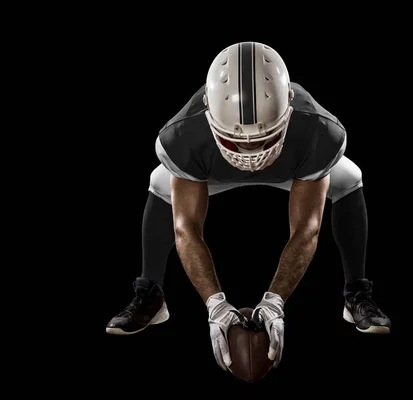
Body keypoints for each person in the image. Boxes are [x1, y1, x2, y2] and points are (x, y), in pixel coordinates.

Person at [105, 41, 391, 371]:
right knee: (160, 184)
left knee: (349, 179)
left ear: (291, 109)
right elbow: (187, 228)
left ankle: (356, 292)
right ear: (208, 113)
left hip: (291, 165)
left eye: (264, 139)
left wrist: (275, 302)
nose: (250, 153)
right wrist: (215, 305)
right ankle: (150, 294)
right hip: (212, 168)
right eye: (235, 140)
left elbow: (306, 229)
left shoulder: (317, 129)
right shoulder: (183, 134)